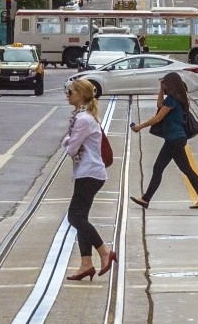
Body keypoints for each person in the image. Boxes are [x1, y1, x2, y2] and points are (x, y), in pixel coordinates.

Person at [129, 72, 198, 210]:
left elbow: (158, 118)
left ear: (171, 84)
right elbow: (159, 104)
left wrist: (139, 126)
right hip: (175, 139)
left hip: (174, 139)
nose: (164, 86)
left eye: (165, 84)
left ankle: (146, 199)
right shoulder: (176, 98)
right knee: (178, 169)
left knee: (164, 169)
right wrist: (161, 89)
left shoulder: (172, 100)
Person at [61, 78, 116, 281]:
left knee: (74, 218)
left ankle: (104, 251)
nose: (68, 95)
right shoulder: (82, 116)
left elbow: (71, 148)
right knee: (81, 217)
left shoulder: (83, 119)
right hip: (88, 172)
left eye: (71, 92)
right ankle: (86, 263)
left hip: (89, 173)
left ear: (81, 95)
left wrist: (65, 140)